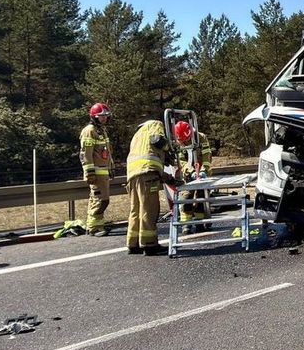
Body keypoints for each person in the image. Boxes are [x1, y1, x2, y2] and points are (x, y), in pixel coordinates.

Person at [125, 118, 178, 255]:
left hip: (132, 174)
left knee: (136, 209)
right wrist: (169, 148)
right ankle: (149, 244)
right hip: (147, 173)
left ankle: (133, 243)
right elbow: (157, 141)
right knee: (149, 208)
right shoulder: (155, 125)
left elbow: (150, 153)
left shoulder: (137, 135)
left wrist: (169, 178)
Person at [80, 102, 114, 235]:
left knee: (100, 200)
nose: (104, 118)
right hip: (96, 173)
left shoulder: (102, 131)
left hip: (103, 172)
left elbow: (107, 153)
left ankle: (97, 225)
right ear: (94, 116)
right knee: (100, 200)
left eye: (106, 116)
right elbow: (85, 154)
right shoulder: (89, 131)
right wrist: (89, 173)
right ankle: (94, 228)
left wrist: (111, 168)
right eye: (101, 116)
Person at [174, 119, 214, 227]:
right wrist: (190, 171)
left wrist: (203, 170)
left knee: (202, 196)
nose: (186, 142)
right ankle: (186, 225)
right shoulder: (179, 142)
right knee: (186, 197)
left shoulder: (201, 137)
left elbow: (207, 155)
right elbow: (181, 161)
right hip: (188, 172)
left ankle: (200, 223)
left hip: (202, 171)